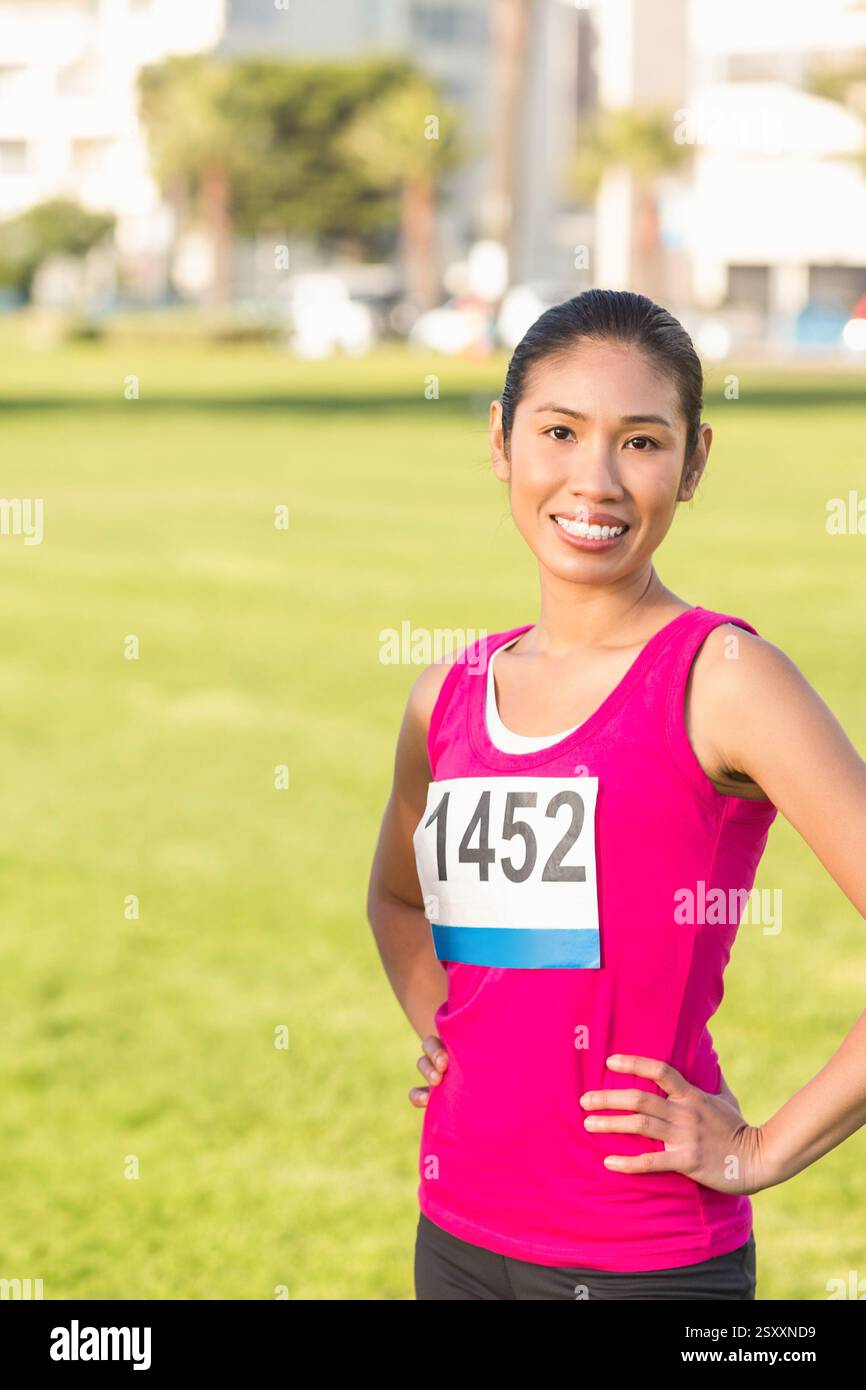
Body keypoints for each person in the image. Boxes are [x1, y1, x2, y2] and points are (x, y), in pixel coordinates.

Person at [365, 289, 866, 1300]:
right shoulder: (448, 694)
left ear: (692, 464)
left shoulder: (720, 676)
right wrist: (448, 1031)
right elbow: (397, 899)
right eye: (558, 431)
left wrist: (759, 1149)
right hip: (455, 1233)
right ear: (502, 441)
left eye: (640, 441)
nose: (593, 480)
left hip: (646, 1259)